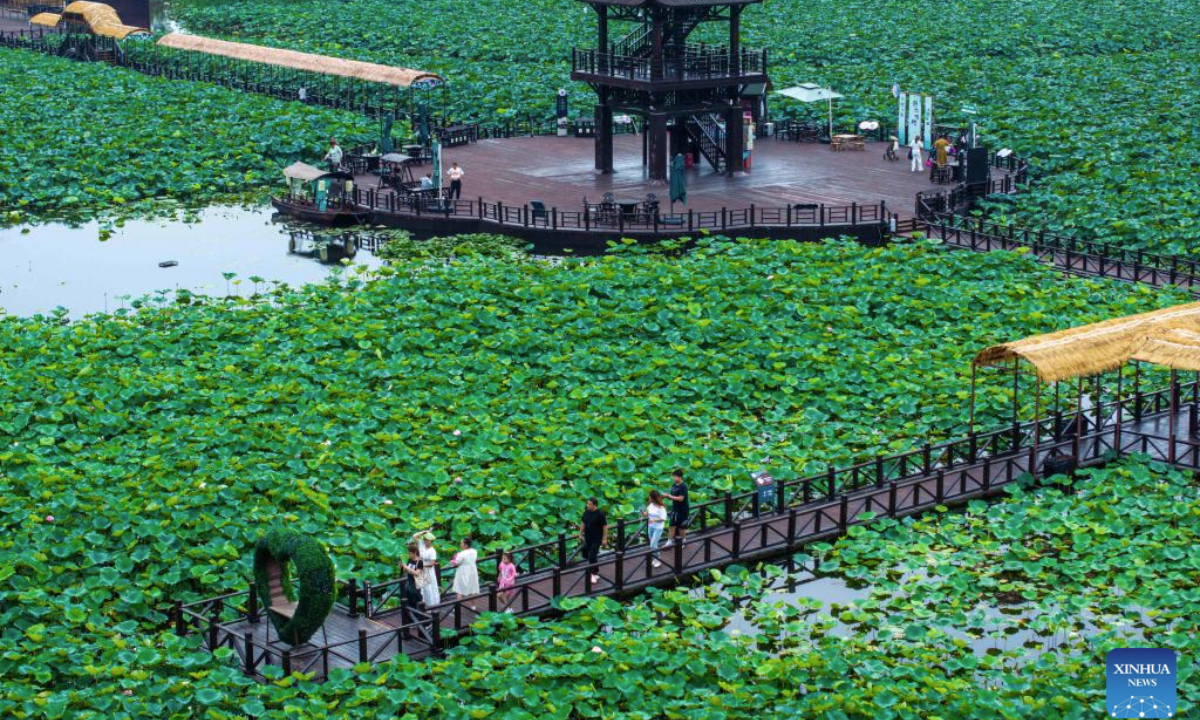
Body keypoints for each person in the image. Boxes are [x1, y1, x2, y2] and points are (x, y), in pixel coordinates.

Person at [398, 543, 427, 635]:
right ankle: (411, 621)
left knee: (416, 603)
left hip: (416, 585)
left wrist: (406, 568)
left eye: (410, 553)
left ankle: (421, 622)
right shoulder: (410, 560)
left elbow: (417, 573)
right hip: (409, 583)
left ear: (415, 553)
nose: (409, 555)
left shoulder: (420, 562)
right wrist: (402, 567)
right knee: (410, 603)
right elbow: (406, 571)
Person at [578, 498, 608, 585]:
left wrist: (604, 538)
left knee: (592, 555)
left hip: (597, 538)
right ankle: (595, 569)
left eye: (590, 504)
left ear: (594, 505)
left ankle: (594, 574)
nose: (588, 505)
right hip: (588, 537)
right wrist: (580, 534)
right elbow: (583, 522)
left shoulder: (600, 514)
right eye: (587, 503)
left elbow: (605, 526)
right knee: (588, 554)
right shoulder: (586, 512)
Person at [411, 531, 441, 606]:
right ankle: (423, 605)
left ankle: (431, 606)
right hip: (421, 570)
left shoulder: (432, 550)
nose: (425, 541)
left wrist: (422, 565)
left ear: (430, 541)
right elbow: (414, 536)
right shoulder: (421, 544)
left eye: (427, 540)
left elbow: (432, 563)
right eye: (424, 539)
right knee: (422, 588)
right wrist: (424, 532)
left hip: (428, 571)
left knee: (429, 589)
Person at [642, 490, 667, 568]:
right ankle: (654, 558)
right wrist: (643, 513)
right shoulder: (650, 505)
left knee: (653, 545)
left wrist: (654, 520)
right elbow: (647, 514)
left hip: (658, 528)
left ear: (653, 498)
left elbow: (663, 518)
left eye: (650, 496)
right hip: (651, 527)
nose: (649, 498)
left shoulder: (661, 508)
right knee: (652, 544)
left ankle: (658, 558)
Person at [664, 469, 689, 546]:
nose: (673, 478)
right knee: (671, 525)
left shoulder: (683, 486)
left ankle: (683, 540)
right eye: (673, 477)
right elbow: (673, 496)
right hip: (674, 509)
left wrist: (669, 496)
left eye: (675, 477)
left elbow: (681, 498)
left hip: (682, 510)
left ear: (680, 477)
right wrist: (667, 496)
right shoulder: (674, 485)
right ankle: (669, 540)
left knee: (681, 527)